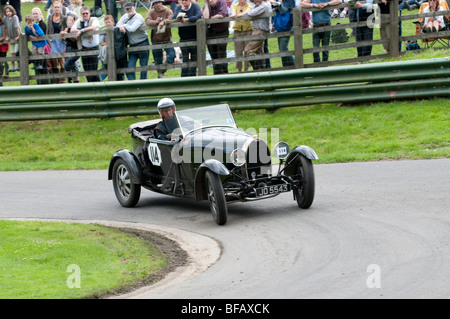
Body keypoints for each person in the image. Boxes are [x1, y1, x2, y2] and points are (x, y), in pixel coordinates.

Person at [117, 2, 149, 80]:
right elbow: (117, 24)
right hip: (132, 45)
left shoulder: (138, 17)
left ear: (134, 7)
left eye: (130, 8)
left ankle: (143, 86)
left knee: (143, 68)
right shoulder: (125, 16)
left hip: (143, 43)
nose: (128, 10)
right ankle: (133, 85)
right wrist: (120, 25)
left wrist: (123, 25)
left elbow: (132, 28)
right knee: (130, 68)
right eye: (127, 8)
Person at [145, 0, 175, 78]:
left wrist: (164, 22)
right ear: (153, 5)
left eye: (159, 2)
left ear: (162, 3)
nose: (158, 5)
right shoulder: (151, 12)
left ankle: (162, 71)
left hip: (167, 38)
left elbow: (172, 18)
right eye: (156, 3)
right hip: (155, 39)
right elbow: (147, 21)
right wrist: (155, 22)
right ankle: (160, 77)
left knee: (171, 56)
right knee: (157, 60)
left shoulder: (168, 10)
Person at [173, 0, 202, 77]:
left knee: (194, 60)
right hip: (183, 38)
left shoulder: (195, 6)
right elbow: (175, 17)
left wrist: (188, 19)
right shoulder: (179, 8)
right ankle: (184, 79)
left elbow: (198, 15)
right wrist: (181, 10)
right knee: (185, 60)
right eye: (182, 0)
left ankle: (193, 79)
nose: (184, 2)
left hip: (195, 37)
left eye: (185, 0)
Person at [72, 5, 101, 82]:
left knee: (93, 70)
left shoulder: (94, 19)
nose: (85, 15)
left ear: (89, 13)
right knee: (86, 70)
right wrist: (79, 30)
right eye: (83, 13)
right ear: (81, 14)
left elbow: (94, 27)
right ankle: (91, 87)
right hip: (84, 48)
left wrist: (81, 31)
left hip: (94, 47)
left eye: (86, 13)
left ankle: (99, 87)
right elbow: (72, 29)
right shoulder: (79, 21)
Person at [203, 0, 229, 74]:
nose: (211, 0)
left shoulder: (222, 2)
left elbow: (222, 14)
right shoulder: (207, 5)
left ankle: (224, 74)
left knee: (221, 54)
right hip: (210, 33)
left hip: (222, 32)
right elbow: (205, 17)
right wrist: (206, 4)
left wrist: (211, 19)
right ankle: (217, 75)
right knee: (213, 55)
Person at [243, 0, 270, 71]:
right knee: (259, 52)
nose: (254, 1)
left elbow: (251, 13)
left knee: (247, 50)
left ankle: (257, 69)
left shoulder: (263, 6)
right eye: (253, 0)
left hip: (260, 31)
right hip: (257, 30)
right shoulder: (257, 6)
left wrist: (247, 12)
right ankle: (262, 71)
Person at [46, 0, 67, 83]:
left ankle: (63, 79)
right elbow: (48, 29)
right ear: (53, 8)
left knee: (61, 60)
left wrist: (64, 34)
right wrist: (47, 40)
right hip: (52, 40)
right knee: (54, 60)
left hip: (61, 40)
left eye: (58, 7)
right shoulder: (50, 17)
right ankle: (57, 80)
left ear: (60, 8)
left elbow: (67, 27)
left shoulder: (64, 18)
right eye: (55, 7)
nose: (56, 9)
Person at [230, 0, 252, 72]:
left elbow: (248, 12)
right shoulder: (234, 5)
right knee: (238, 51)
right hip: (237, 31)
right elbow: (233, 13)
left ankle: (246, 69)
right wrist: (234, 14)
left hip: (247, 30)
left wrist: (241, 14)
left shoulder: (249, 5)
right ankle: (239, 70)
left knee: (247, 51)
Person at [271, 0, 295, 67]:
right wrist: (274, 5)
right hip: (279, 27)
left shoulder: (289, 1)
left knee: (283, 49)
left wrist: (279, 5)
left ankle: (295, 65)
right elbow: (273, 10)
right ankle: (286, 67)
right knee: (281, 50)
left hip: (286, 27)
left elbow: (283, 11)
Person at [62, 12, 81, 83]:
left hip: (75, 49)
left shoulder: (77, 28)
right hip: (68, 49)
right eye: (68, 20)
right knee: (72, 66)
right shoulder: (67, 29)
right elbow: (62, 39)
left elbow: (74, 39)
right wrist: (62, 34)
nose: (69, 21)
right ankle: (74, 83)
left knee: (67, 64)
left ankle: (70, 78)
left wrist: (66, 35)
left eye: (71, 20)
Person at [3, 5, 20, 72]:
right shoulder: (5, 18)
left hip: (16, 37)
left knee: (16, 52)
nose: (8, 13)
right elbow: (5, 27)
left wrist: (19, 36)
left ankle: (18, 65)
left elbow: (16, 27)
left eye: (9, 11)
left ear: (12, 11)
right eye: (6, 12)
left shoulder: (15, 17)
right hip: (11, 37)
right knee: (12, 52)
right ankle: (12, 66)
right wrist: (6, 36)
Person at [98, 14, 115, 80]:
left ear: (113, 22)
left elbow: (117, 42)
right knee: (105, 68)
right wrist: (109, 42)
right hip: (106, 54)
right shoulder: (103, 31)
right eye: (106, 22)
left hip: (115, 53)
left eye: (109, 22)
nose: (107, 24)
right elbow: (101, 43)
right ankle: (99, 82)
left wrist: (107, 42)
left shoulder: (116, 29)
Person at [0, 16, 9, 80]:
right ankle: (1, 73)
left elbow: (4, 36)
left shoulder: (2, 26)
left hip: (3, 45)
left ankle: (6, 71)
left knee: (3, 58)